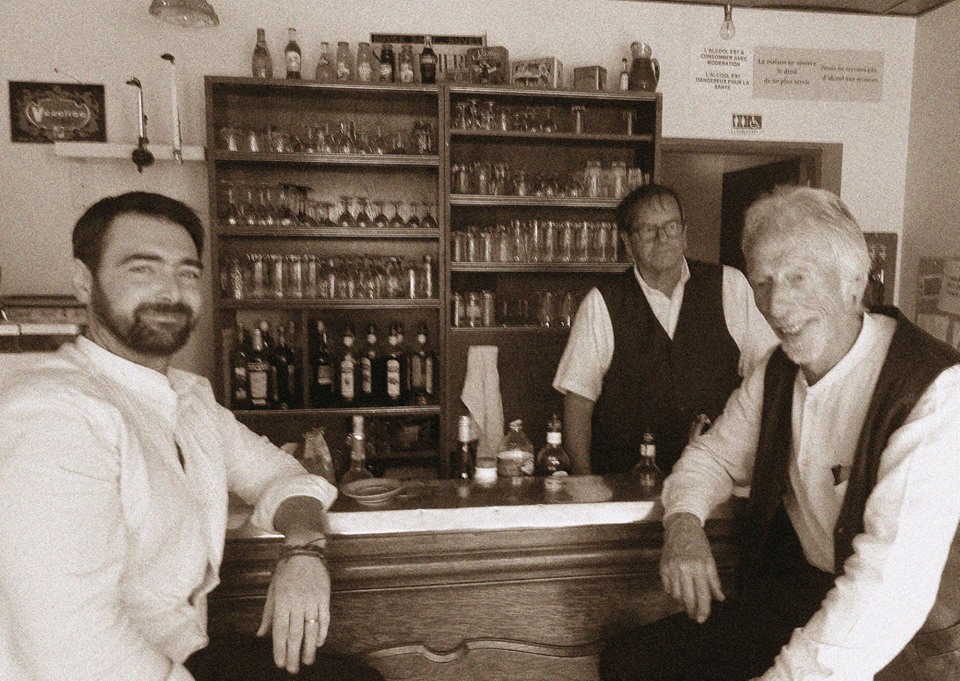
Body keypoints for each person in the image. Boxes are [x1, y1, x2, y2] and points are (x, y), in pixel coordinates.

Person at [0, 192, 383, 681]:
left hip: (182, 650)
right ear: (83, 281)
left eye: (187, 273)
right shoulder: (53, 411)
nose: (171, 291)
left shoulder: (189, 398)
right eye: (143, 269)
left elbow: (281, 474)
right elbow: (69, 642)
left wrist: (304, 548)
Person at [599, 186, 960, 680]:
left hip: (914, 636)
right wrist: (682, 524)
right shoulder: (778, 370)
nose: (776, 304)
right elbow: (712, 457)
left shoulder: (935, 389)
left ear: (854, 283)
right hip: (808, 592)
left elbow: (890, 586)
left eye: (797, 277)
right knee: (633, 662)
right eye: (762, 282)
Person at [553, 183, 776, 475]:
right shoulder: (602, 303)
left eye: (671, 226)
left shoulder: (729, 285)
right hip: (624, 482)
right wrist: (583, 482)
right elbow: (579, 402)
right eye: (648, 230)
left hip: (715, 480)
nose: (662, 238)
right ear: (627, 242)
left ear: (684, 233)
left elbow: (768, 375)